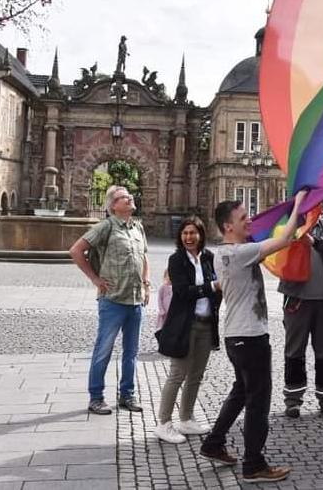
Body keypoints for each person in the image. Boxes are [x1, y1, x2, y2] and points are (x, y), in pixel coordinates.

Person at [199, 190, 308, 483]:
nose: (249, 221)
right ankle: (254, 464)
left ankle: (214, 442)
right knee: (258, 401)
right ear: (227, 227)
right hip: (250, 337)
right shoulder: (240, 252)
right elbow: (284, 239)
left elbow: (221, 284)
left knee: (240, 391)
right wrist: (297, 203)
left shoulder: (222, 253)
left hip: (236, 336)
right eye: (243, 218)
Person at [69, 186, 150, 416]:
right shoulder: (106, 227)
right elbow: (76, 251)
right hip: (112, 300)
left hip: (134, 300)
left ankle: (127, 395)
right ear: (113, 205)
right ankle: (96, 397)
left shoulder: (138, 227)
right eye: (124, 197)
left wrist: (146, 283)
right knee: (103, 350)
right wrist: (95, 279)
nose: (130, 198)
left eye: (130, 195)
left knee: (131, 352)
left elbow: (144, 256)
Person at [153, 217, 220, 444]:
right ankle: (163, 423)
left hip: (206, 322)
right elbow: (182, 292)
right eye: (185, 234)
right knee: (177, 374)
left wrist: (214, 291)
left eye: (193, 233)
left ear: (201, 235)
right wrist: (210, 288)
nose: (188, 237)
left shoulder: (209, 258)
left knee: (196, 375)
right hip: (184, 325)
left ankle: (186, 418)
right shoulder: (176, 260)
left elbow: (217, 289)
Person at [278, 215, 323, 420]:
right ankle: (293, 400)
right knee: (294, 351)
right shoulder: (289, 226)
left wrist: (315, 241)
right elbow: (276, 250)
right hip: (297, 299)